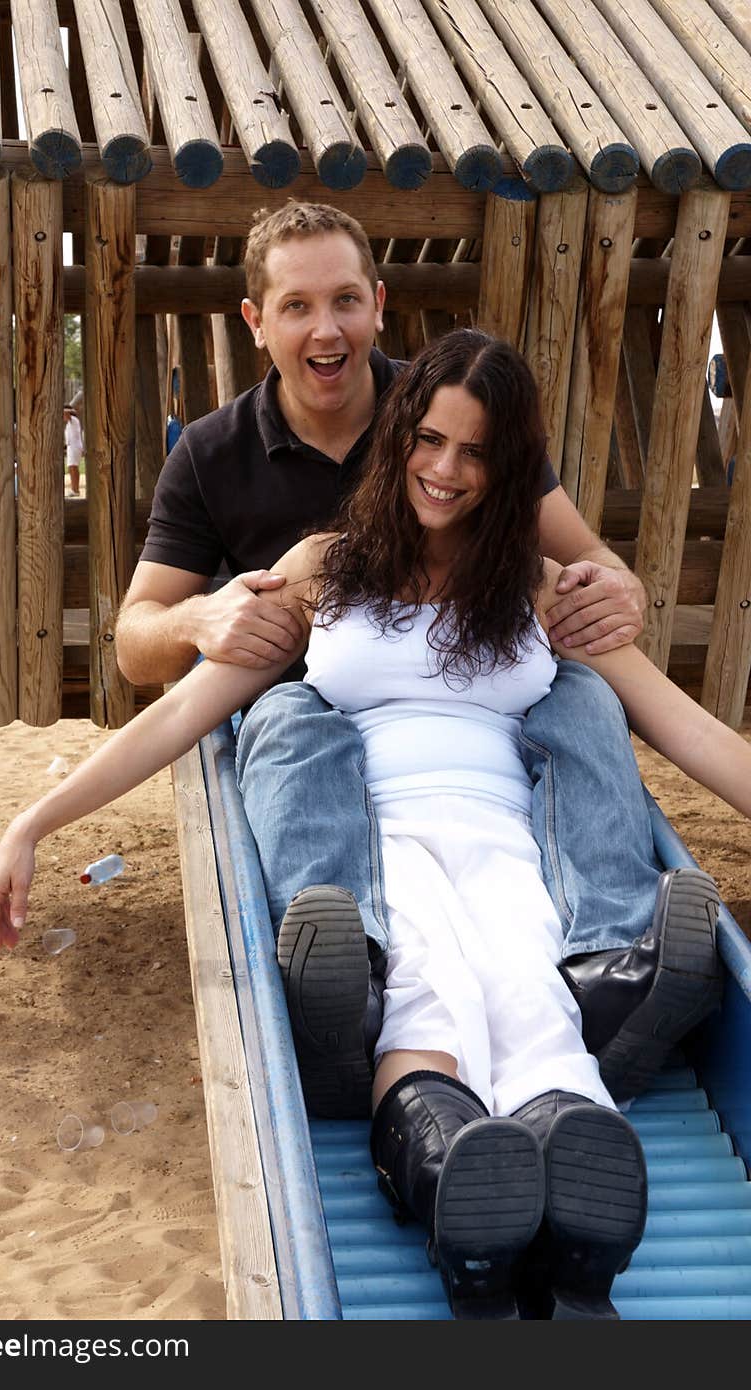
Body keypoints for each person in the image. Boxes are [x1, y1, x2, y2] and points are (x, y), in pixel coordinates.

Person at [0, 330, 750, 1318]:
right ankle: (449, 1175)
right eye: (429, 439)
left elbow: (688, 727)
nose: (445, 469)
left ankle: (574, 1190)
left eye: (476, 452)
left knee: (528, 983)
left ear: (507, 466)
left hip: (510, 824)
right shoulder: (324, 569)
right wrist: (34, 822)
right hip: (369, 828)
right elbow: (180, 710)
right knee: (424, 978)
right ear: (397, 439)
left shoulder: (532, 585)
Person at [113, 202, 720, 1114]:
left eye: (347, 300)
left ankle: (604, 954)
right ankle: (343, 965)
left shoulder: (447, 409)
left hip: (475, 735)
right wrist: (203, 620)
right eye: (298, 306)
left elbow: (581, 569)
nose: (327, 328)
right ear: (256, 321)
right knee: (287, 720)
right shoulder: (215, 458)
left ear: (380, 304)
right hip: (308, 716)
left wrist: (613, 584)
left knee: (584, 698)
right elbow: (138, 648)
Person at [63, 407, 84, 498]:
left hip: (75, 447)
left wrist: (66, 409)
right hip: (70, 447)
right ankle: (74, 488)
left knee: (73, 468)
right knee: (71, 468)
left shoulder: (74, 420)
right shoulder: (68, 424)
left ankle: (75, 489)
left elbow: (67, 414)